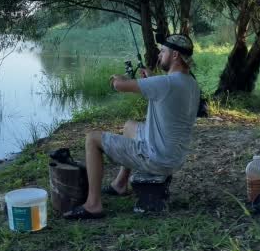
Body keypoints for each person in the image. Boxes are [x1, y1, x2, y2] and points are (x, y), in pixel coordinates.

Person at [63, 34, 201, 219]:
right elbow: (165, 95)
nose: (160, 55)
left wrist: (116, 79)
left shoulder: (165, 84)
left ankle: (93, 204)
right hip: (175, 156)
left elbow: (120, 86)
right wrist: (149, 79)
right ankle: (120, 184)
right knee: (129, 126)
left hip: (156, 158)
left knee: (92, 139)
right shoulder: (190, 83)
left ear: (175, 55)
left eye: (163, 51)